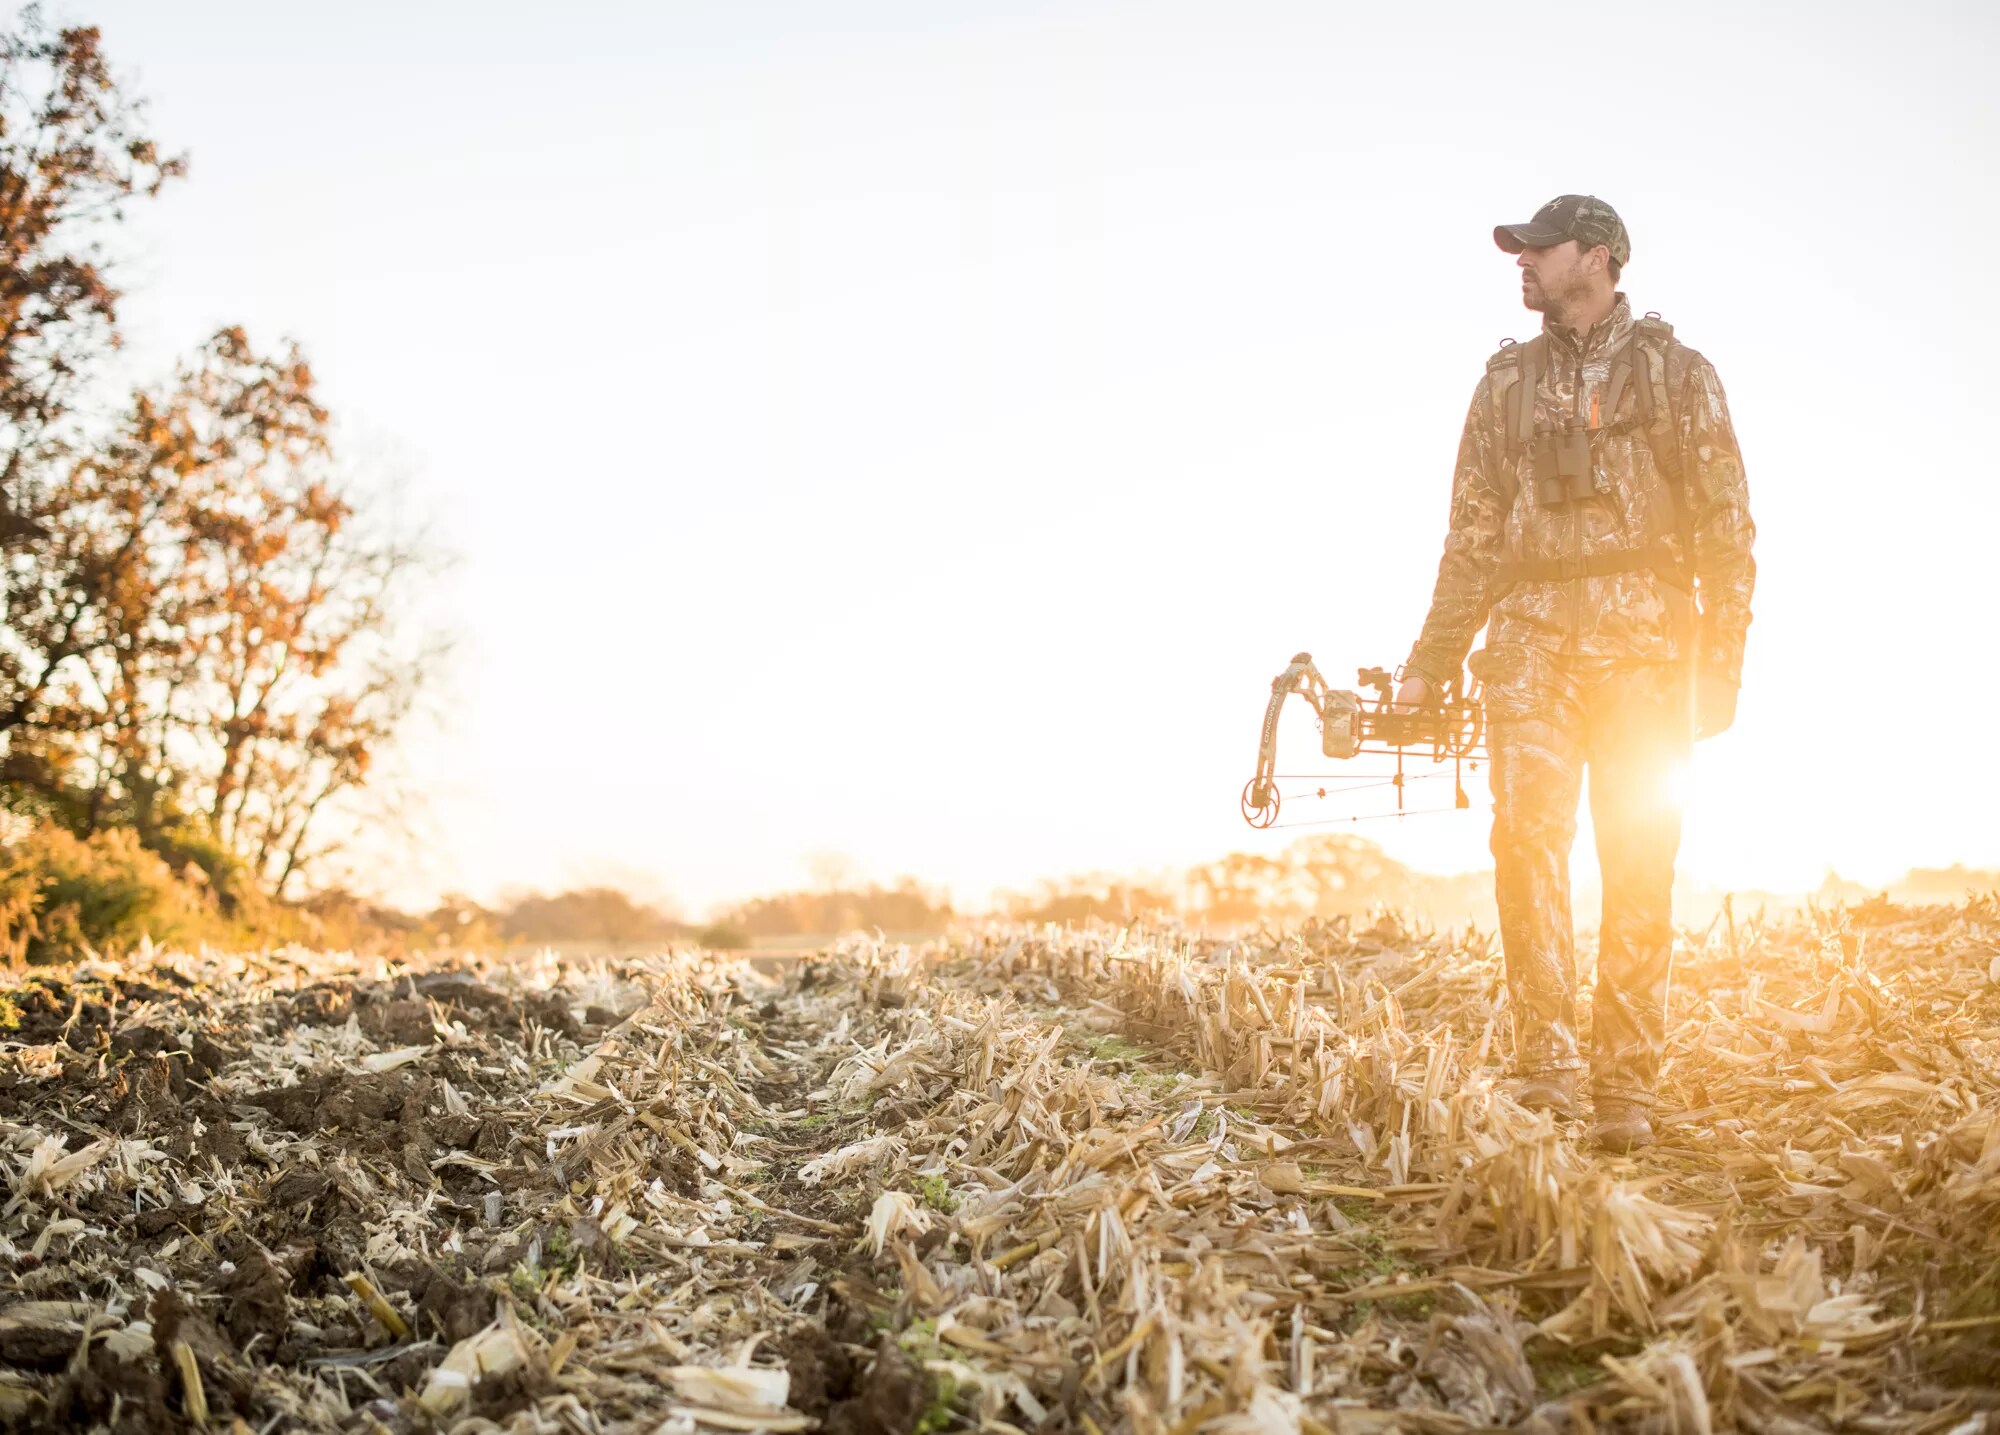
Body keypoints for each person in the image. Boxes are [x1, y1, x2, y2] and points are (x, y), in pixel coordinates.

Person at [1394, 195, 1755, 1152]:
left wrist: (1720, 664)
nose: (1522, 263)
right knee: (1527, 847)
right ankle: (1547, 1066)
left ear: (1595, 257)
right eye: (1518, 250)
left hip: (1647, 656)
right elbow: (1468, 539)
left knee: (1639, 860)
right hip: (1528, 653)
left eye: (1538, 249)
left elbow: (1727, 532)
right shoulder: (1504, 384)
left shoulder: (1681, 375)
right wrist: (1430, 663)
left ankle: (1625, 1088)